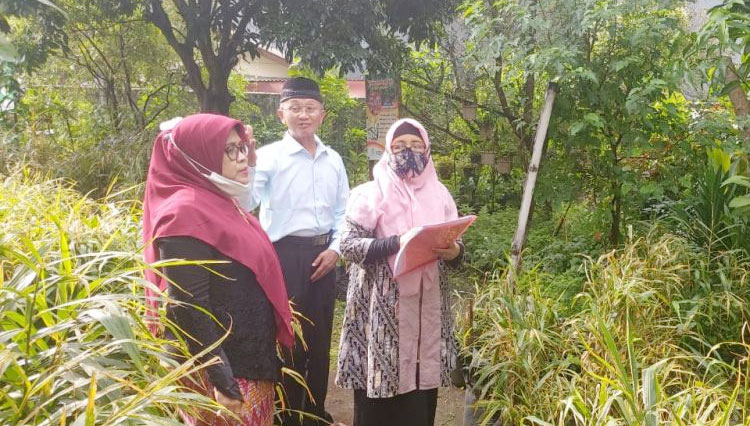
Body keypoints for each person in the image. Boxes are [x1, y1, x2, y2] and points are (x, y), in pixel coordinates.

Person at [142, 113, 294, 426]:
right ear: (200, 154)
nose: (243, 158)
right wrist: (223, 382)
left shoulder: (220, 201)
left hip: (247, 359)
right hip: (224, 372)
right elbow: (189, 306)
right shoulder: (184, 213)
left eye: (243, 148)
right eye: (231, 150)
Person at [335, 118, 464, 426]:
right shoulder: (370, 193)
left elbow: (456, 250)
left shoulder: (441, 194)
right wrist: (396, 243)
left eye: (417, 145)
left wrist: (455, 251)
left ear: (428, 149)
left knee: (419, 402)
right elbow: (348, 245)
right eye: (400, 146)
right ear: (388, 151)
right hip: (381, 316)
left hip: (426, 316)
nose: (409, 151)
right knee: (377, 400)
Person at [249, 77, 349, 426]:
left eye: (310, 108)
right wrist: (245, 163)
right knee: (287, 337)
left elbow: (343, 214)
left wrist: (336, 250)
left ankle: (314, 412)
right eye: (295, 108)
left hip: (325, 257)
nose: (303, 115)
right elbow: (246, 202)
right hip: (283, 257)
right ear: (281, 114)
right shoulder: (268, 157)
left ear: (322, 115)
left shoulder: (333, 159)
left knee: (320, 340)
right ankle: (286, 414)